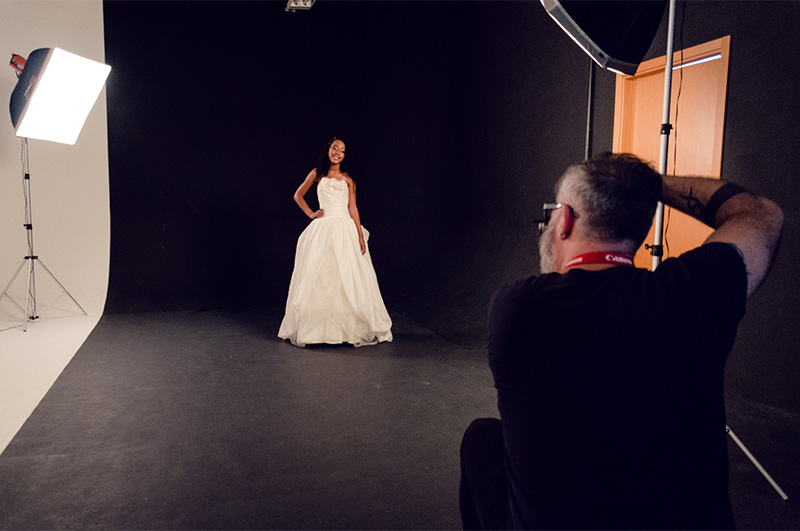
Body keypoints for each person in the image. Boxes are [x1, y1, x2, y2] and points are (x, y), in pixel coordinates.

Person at [459, 152, 783, 530]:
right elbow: (761, 215)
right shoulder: (693, 295)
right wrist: (646, 186)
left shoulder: (515, 308)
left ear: (564, 220)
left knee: (482, 440)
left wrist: (628, 185)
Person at [278, 137, 393, 347]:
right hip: (323, 228)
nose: (337, 153)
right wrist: (310, 213)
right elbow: (298, 195)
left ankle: (346, 330)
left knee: (346, 276)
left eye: (342, 150)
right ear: (328, 150)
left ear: (344, 155)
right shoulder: (317, 174)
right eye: (334, 148)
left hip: (344, 228)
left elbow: (353, 208)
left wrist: (359, 234)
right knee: (321, 276)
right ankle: (317, 330)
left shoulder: (348, 179)